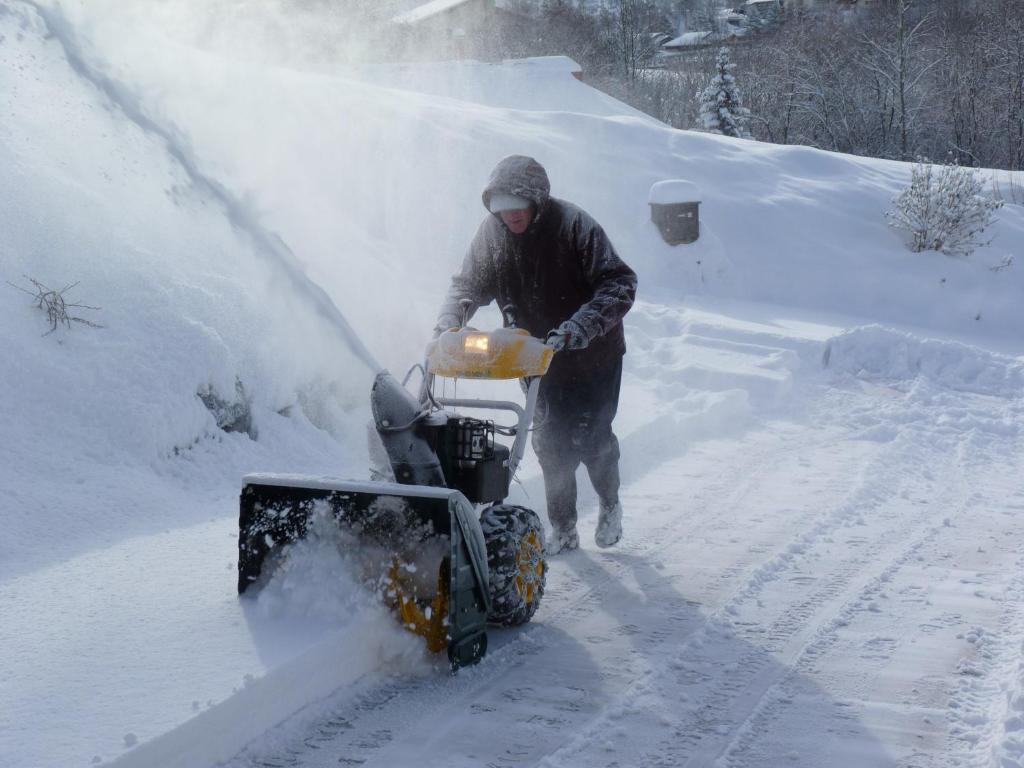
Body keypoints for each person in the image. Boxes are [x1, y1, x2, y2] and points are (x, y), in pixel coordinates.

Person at [435, 155, 637, 553]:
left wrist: (579, 328)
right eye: (499, 206)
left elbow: (619, 283)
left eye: (516, 205)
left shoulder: (575, 226)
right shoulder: (492, 236)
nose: (508, 215)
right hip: (536, 356)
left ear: (537, 200)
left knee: (592, 437)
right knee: (549, 443)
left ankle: (610, 503)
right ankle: (563, 527)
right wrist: (447, 323)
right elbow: (467, 285)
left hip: (593, 354)